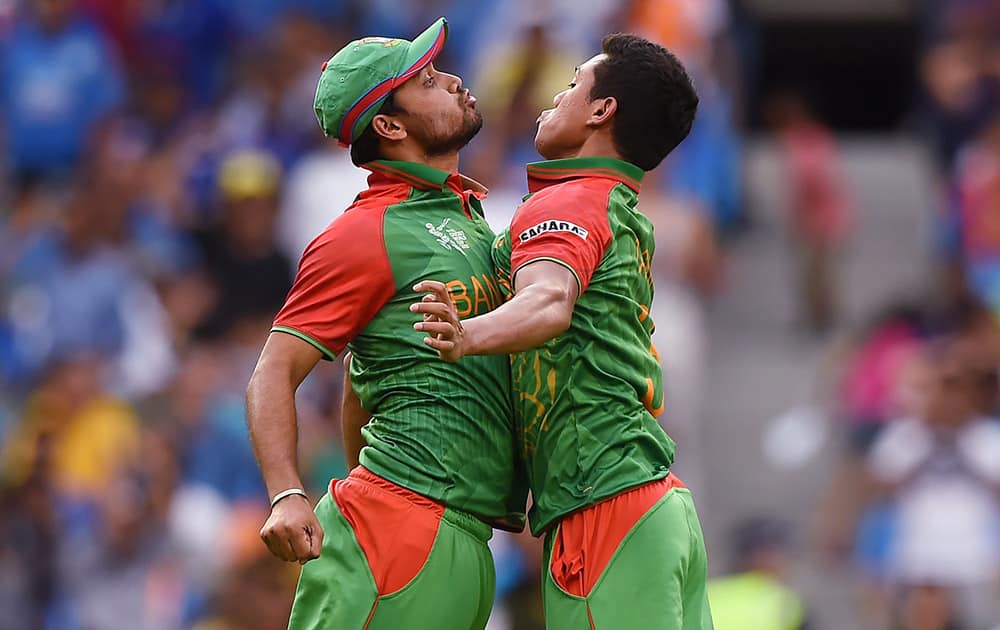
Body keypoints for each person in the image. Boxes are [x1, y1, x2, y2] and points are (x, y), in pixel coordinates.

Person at [410, 33, 712, 629]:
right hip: (650, 504)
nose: (555, 97)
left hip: (604, 504)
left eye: (572, 84)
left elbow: (549, 303)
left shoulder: (568, 201)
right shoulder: (615, 203)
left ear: (602, 111)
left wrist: (465, 334)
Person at [245, 18, 526, 630]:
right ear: (390, 125)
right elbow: (271, 371)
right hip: (401, 528)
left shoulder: (467, 218)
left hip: (462, 540)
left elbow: (359, 374)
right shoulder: (362, 232)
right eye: (426, 80)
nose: (452, 80)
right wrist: (288, 492)